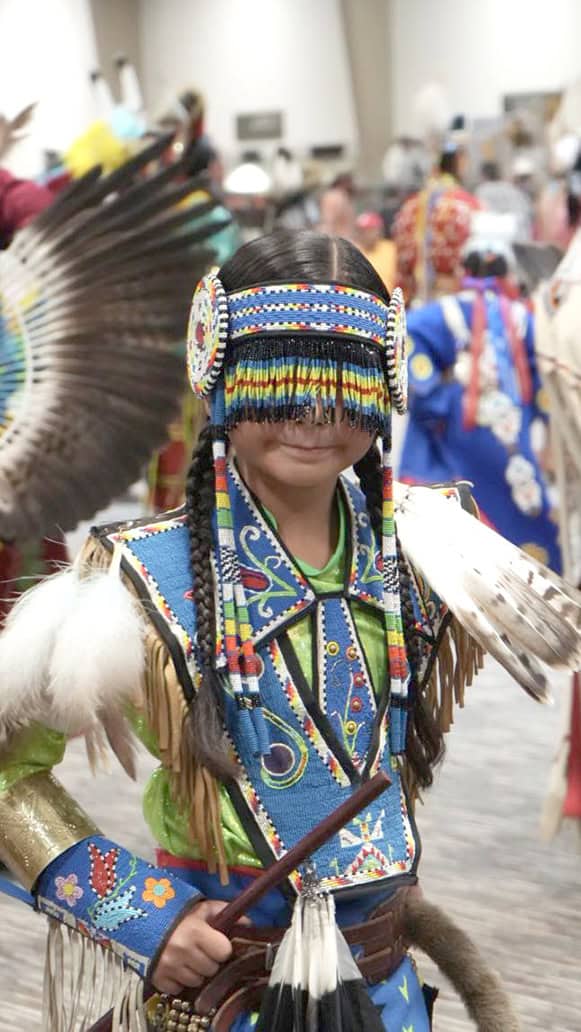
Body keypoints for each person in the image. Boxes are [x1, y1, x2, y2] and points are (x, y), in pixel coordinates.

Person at [0, 230, 579, 1032]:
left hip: (385, 988)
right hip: (224, 989)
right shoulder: (136, 580)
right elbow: (4, 773)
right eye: (279, 387)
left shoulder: (424, 544)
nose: (313, 419)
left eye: (343, 390)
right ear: (219, 378)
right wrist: (140, 916)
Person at [399, 214, 561, 572]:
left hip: (483, 426)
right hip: (475, 426)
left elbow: (408, 339)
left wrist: (433, 394)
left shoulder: (498, 315)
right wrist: (434, 395)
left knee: (515, 503)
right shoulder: (516, 316)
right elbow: (544, 378)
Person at [393, 142, 480, 303]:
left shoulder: (410, 206)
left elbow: (402, 264)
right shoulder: (467, 205)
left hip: (416, 298)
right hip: (456, 299)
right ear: (460, 163)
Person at [475, 159, 534, 241]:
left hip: (490, 241)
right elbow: (525, 216)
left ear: (483, 175)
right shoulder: (512, 189)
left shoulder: (481, 191)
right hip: (516, 239)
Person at [355, 210, 397, 292]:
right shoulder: (355, 252)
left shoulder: (391, 249)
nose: (367, 234)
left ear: (379, 230)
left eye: (371, 230)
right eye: (363, 231)